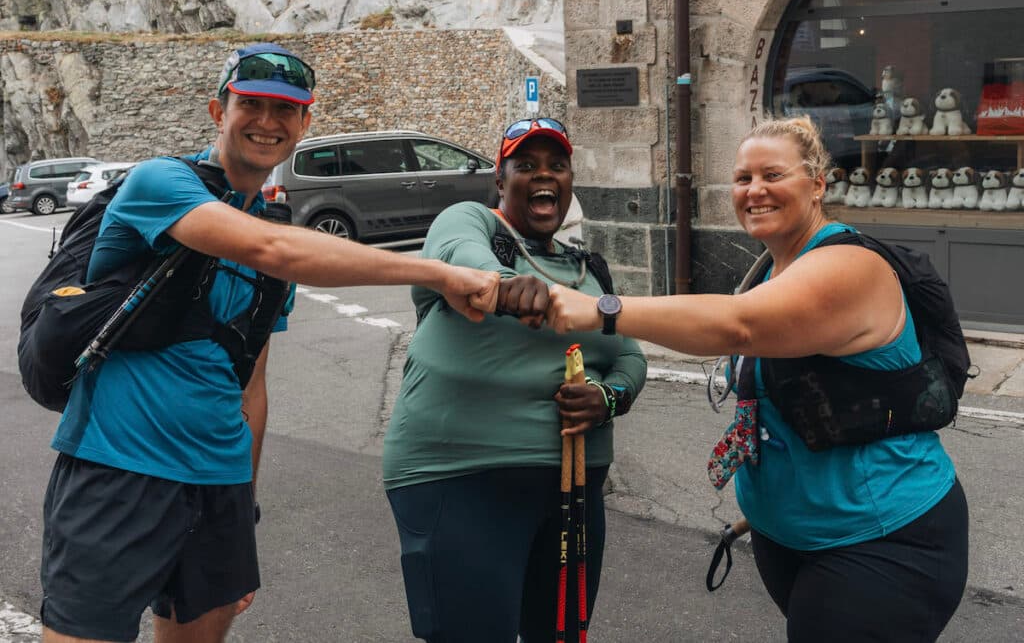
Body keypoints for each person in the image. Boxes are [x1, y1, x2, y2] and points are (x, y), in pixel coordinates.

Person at [39, 42, 498, 643]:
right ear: (217, 111)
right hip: (118, 468)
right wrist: (440, 274)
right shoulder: (161, 181)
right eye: (250, 104)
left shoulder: (275, 225)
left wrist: (243, 503)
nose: (267, 121)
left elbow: (251, 383)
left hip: (218, 483)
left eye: (285, 110)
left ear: (304, 125)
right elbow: (269, 250)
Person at [544, 116, 969, 642]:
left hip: (881, 540)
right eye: (743, 178)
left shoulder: (850, 267)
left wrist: (601, 309)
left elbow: (738, 326)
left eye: (773, 175)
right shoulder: (773, 269)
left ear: (817, 184)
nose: (754, 190)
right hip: (791, 538)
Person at [382, 117, 647, 642]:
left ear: (569, 182)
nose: (543, 175)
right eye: (525, 165)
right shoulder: (472, 222)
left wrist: (607, 397)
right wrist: (504, 287)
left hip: (575, 488)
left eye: (557, 165)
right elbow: (462, 258)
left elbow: (630, 357)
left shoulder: (588, 269)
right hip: (461, 475)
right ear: (500, 182)